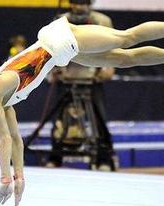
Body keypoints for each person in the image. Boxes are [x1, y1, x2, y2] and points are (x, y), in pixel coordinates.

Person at [0, 16, 164, 206]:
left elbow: (3, 139)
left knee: (126, 37)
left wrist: (4, 179)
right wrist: (19, 177)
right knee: (125, 59)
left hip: (58, 42)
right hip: (59, 51)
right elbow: (17, 140)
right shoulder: (3, 100)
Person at [45, 0, 116, 171]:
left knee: (99, 120)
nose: (79, 7)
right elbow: (50, 48)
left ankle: (104, 159)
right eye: (75, 3)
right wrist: (51, 71)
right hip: (67, 77)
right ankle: (55, 157)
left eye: (83, 3)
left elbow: (111, 46)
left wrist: (109, 68)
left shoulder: (102, 21)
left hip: (92, 78)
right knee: (60, 121)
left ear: (90, 4)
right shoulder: (60, 20)